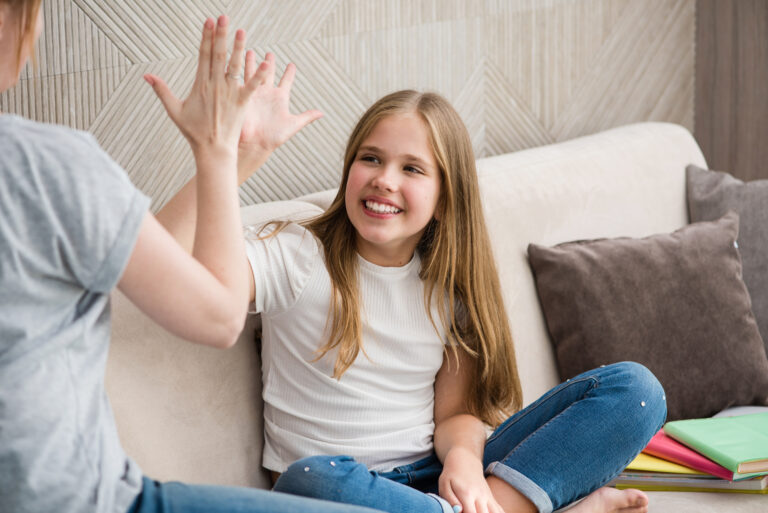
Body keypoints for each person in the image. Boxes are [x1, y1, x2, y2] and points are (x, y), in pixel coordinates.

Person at [158, 86, 667, 513]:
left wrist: (464, 463)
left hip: (431, 478)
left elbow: (454, 416)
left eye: (412, 169)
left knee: (636, 391)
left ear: (446, 198)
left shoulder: (447, 286)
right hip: (343, 491)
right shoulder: (296, 255)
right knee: (309, 480)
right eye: (371, 159)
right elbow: (162, 260)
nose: (385, 178)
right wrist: (226, 162)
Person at [0, 2, 384, 513]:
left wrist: (234, 158)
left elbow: (127, 265)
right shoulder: (43, 166)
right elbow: (219, 316)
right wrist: (215, 149)